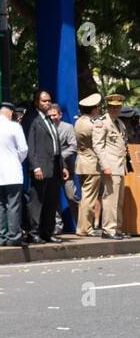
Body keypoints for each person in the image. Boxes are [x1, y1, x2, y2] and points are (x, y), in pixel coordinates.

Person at [22, 89, 67, 243]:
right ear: (36, 102)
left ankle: (48, 232)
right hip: (40, 167)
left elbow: (56, 144)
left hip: (54, 166)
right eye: (44, 101)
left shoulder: (50, 119)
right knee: (37, 201)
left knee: (51, 200)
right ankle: (33, 232)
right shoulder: (31, 119)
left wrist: (63, 166)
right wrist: (35, 167)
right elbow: (30, 146)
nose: (47, 103)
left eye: (49, 100)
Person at [0, 102, 29, 246]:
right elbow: (23, 149)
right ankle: (14, 238)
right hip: (12, 172)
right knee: (13, 205)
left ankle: (0, 238)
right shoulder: (15, 126)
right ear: (10, 113)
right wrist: (14, 159)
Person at [96, 94, 129, 238]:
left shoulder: (119, 123)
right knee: (110, 199)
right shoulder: (102, 122)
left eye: (118, 106)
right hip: (110, 166)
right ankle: (108, 229)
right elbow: (98, 146)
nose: (116, 109)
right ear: (108, 107)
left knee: (118, 200)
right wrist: (105, 166)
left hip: (120, 166)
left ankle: (117, 228)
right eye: (113, 106)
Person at [74, 93, 103, 236]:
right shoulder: (92, 125)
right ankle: (86, 228)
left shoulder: (79, 122)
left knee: (86, 196)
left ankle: (83, 227)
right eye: (97, 108)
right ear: (94, 109)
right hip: (92, 164)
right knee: (89, 198)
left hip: (82, 163)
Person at [50, 103, 78, 234]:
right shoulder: (46, 127)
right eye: (49, 115)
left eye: (54, 115)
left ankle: (80, 222)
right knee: (54, 198)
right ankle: (57, 225)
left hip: (66, 167)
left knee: (71, 196)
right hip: (51, 169)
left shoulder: (68, 127)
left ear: (60, 115)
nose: (52, 117)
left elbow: (73, 146)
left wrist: (59, 157)